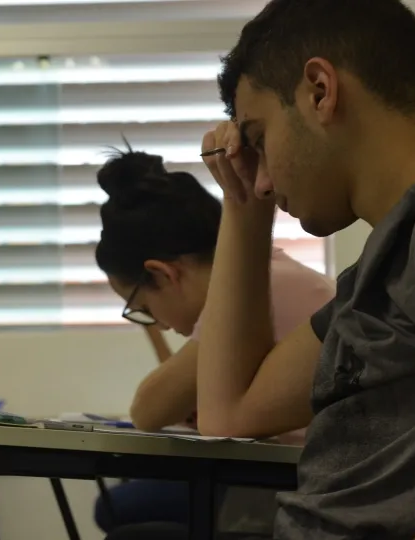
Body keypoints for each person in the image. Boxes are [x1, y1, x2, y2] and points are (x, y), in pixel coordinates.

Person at [112, 0, 415, 538]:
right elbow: (230, 413)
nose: (265, 180)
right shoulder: (388, 259)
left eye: (258, 137)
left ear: (320, 91)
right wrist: (244, 206)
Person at [92, 148, 333, 536]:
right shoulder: (274, 273)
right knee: (124, 505)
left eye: (145, 307)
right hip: (289, 478)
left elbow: (149, 408)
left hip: (303, 488)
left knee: (123, 522)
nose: (162, 325)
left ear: (166, 275)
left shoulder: (258, 288)